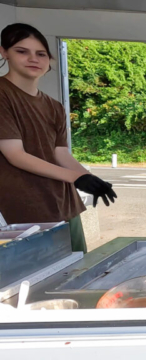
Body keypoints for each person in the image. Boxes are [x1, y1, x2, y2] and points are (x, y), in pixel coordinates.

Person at [0, 23, 117, 253]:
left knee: (75, 272)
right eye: (22, 51)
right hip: (22, 211)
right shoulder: (3, 94)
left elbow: (60, 154)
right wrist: (77, 178)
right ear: (4, 52)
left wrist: (89, 178)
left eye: (41, 54)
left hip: (64, 205)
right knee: (36, 282)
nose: (33, 59)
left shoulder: (53, 106)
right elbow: (16, 155)